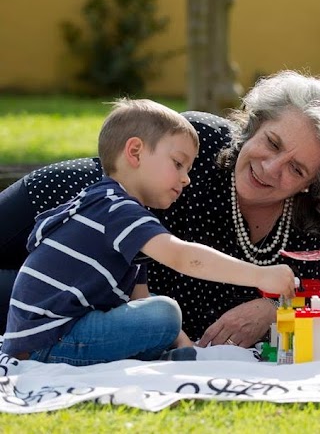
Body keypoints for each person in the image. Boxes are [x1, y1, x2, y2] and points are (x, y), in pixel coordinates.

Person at [0, 71, 320, 347]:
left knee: (25, 306)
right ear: (253, 126)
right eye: (272, 143)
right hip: (60, 207)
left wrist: (275, 308)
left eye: (296, 168)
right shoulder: (199, 143)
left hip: (79, 293)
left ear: (313, 183)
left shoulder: (313, 218)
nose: (270, 168)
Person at [1, 99, 298, 365]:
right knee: (164, 312)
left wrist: (185, 346)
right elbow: (183, 257)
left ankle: (161, 351)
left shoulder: (120, 213)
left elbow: (138, 298)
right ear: (135, 152)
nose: (186, 179)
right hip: (50, 338)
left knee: (155, 309)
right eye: (178, 164)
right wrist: (260, 275)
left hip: (51, 334)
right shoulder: (116, 209)